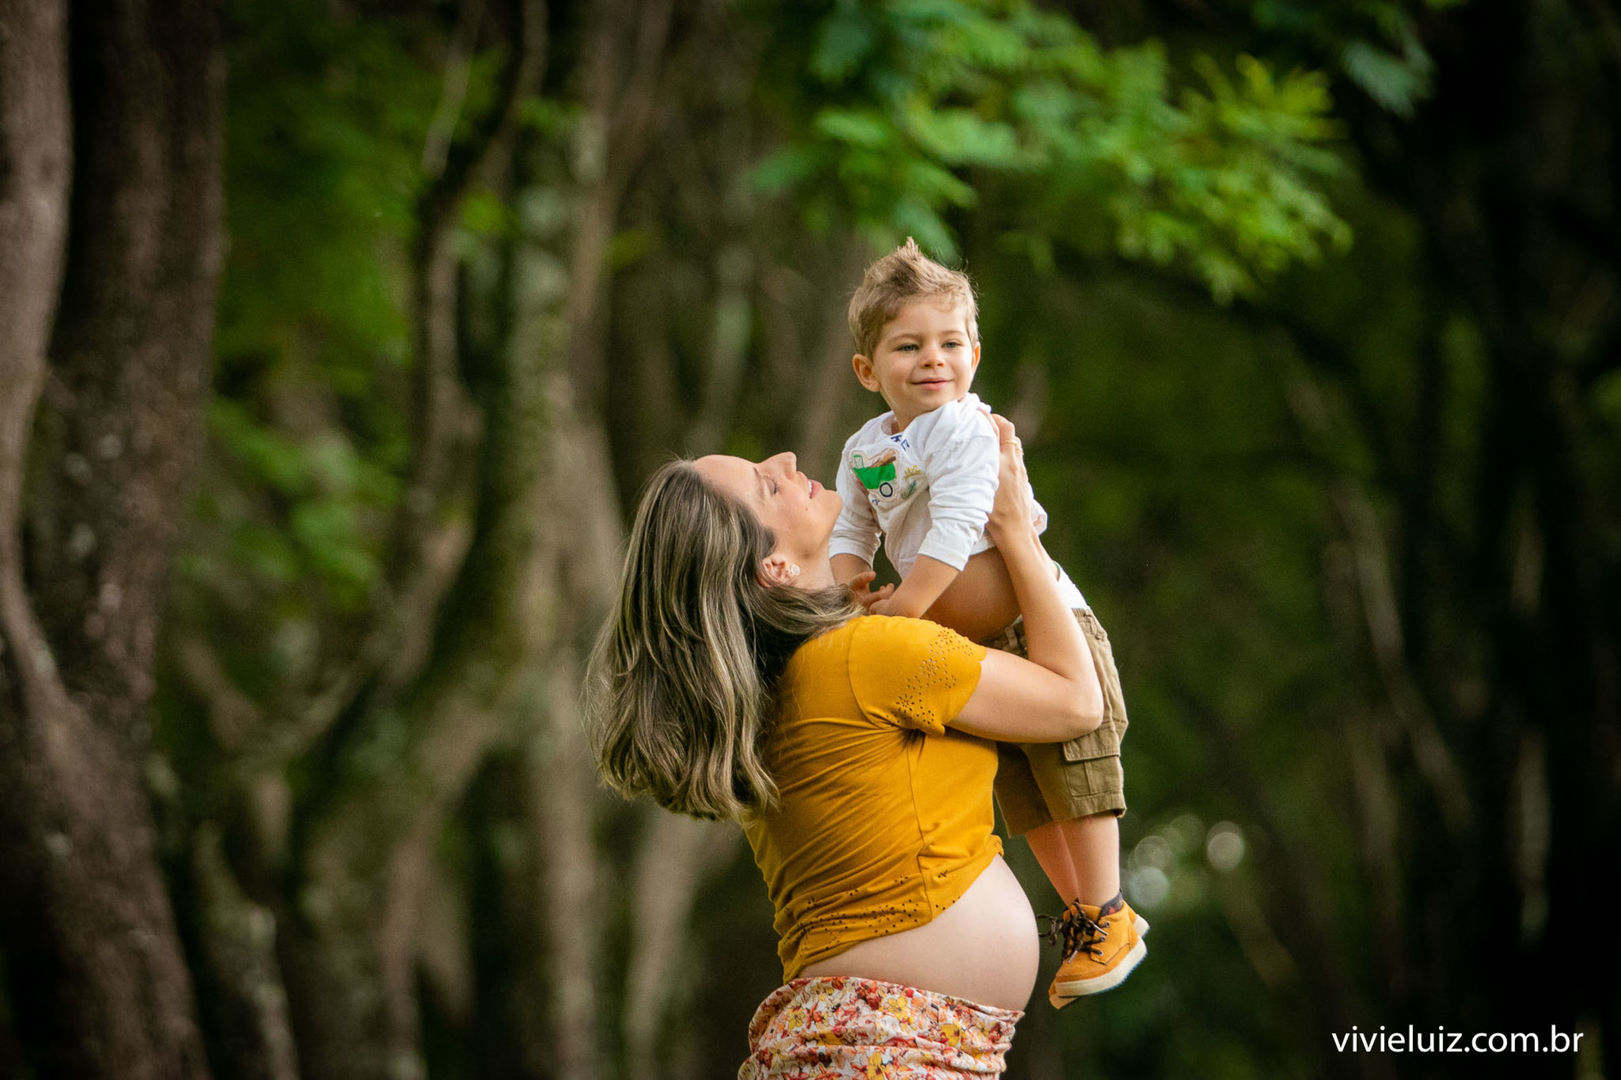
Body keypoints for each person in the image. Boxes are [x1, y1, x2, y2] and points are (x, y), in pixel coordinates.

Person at [588, 420, 1102, 1076]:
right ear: (771, 565)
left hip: (880, 1046)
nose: (787, 457)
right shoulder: (863, 657)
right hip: (877, 1048)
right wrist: (1012, 530)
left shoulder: (801, 678)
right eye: (768, 485)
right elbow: (1074, 701)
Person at [830, 239, 1145, 1006]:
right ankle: (1079, 914)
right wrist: (851, 587)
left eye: (949, 344)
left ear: (974, 353)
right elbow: (849, 531)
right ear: (868, 371)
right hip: (969, 644)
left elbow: (961, 523)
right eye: (908, 347)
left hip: (1042, 623)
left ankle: (1108, 907)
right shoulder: (867, 448)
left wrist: (905, 608)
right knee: (1021, 784)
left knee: (1075, 763)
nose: (932, 360)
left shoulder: (966, 430)